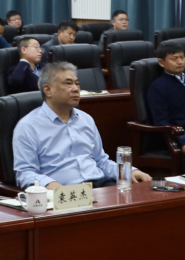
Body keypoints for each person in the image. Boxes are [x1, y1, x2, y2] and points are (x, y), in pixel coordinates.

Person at [13, 61, 152, 189]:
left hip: (99, 186)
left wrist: (129, 171)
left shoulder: (86, 119)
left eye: (77, 84)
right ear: (47, 90)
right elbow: (24, 173)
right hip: (64, 192)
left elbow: (101, 161)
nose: (75, 89)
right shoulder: (28, 126)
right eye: (68, 84)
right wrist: (49, 184)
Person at [146, 44, 185, 150]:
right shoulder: (157, 87)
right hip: (179, 134)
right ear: (161, 62)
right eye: (174, 58)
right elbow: (161, 122)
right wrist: (180, 140)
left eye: (182, 57)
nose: (180, 62)